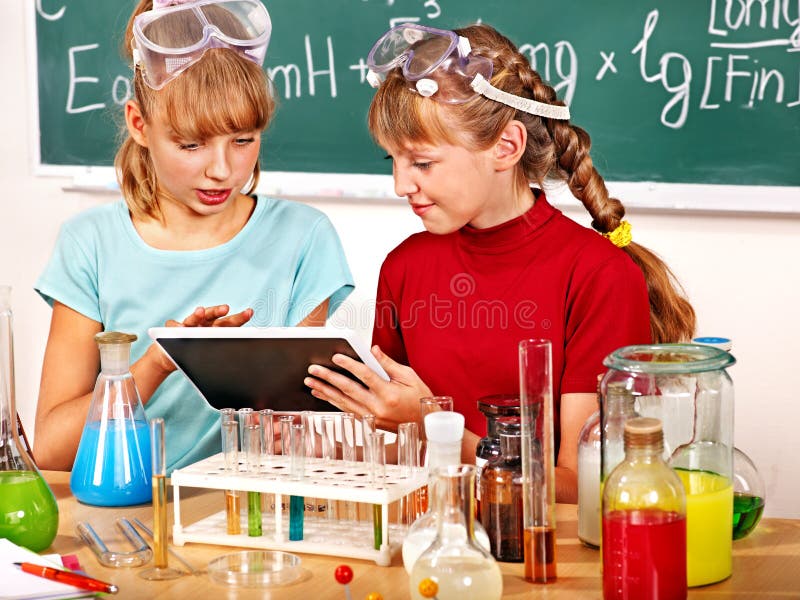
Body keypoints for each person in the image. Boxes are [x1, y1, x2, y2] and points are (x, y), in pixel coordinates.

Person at [304, 23, 694, 502]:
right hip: (432, 529)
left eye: (422, 163)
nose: (401, 185)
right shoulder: (404, 266)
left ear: (506, 147)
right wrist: (324, 450)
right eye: (393, 161)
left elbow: (584, 489)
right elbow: (398, 445)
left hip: (540, 541)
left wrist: (433, 426)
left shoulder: (600, 275)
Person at [33, 0, 353, 473]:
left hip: (245, 506)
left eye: (243, 140)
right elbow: (51, 450)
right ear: (139, 125)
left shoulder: (304, 239)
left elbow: (291, 429)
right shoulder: (90, 245)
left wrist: (284, 420)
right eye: (191, 144)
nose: (222, 170)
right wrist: (160, 361)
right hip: (129, 505)